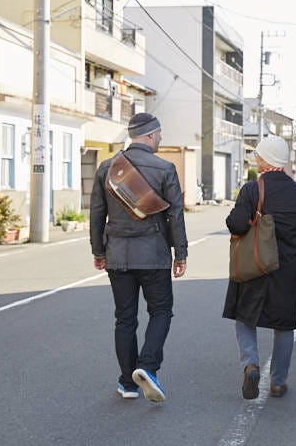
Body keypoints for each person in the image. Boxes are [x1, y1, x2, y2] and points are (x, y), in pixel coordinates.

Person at [90, 112, 188, 403]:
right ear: (149, 134)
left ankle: (128, 383)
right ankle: (147, 367)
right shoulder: (165, 168)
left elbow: (96, 214)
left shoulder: (108, 168)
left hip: (117, 256)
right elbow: (175, 215)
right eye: (158, 134)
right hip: (154, 255)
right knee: (160, 312)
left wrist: (98, 251)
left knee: (125, 319)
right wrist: (180, 253)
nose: (160, 139)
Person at [223, 135, 296, 399]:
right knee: (284, 325)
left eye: (258, 154)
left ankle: (251, 364)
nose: (256, 157)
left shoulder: (252, 190)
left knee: (245, 317)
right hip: (286, 269)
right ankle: (277, 382)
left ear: (264, 159)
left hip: (254, 264)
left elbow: (236, 225)